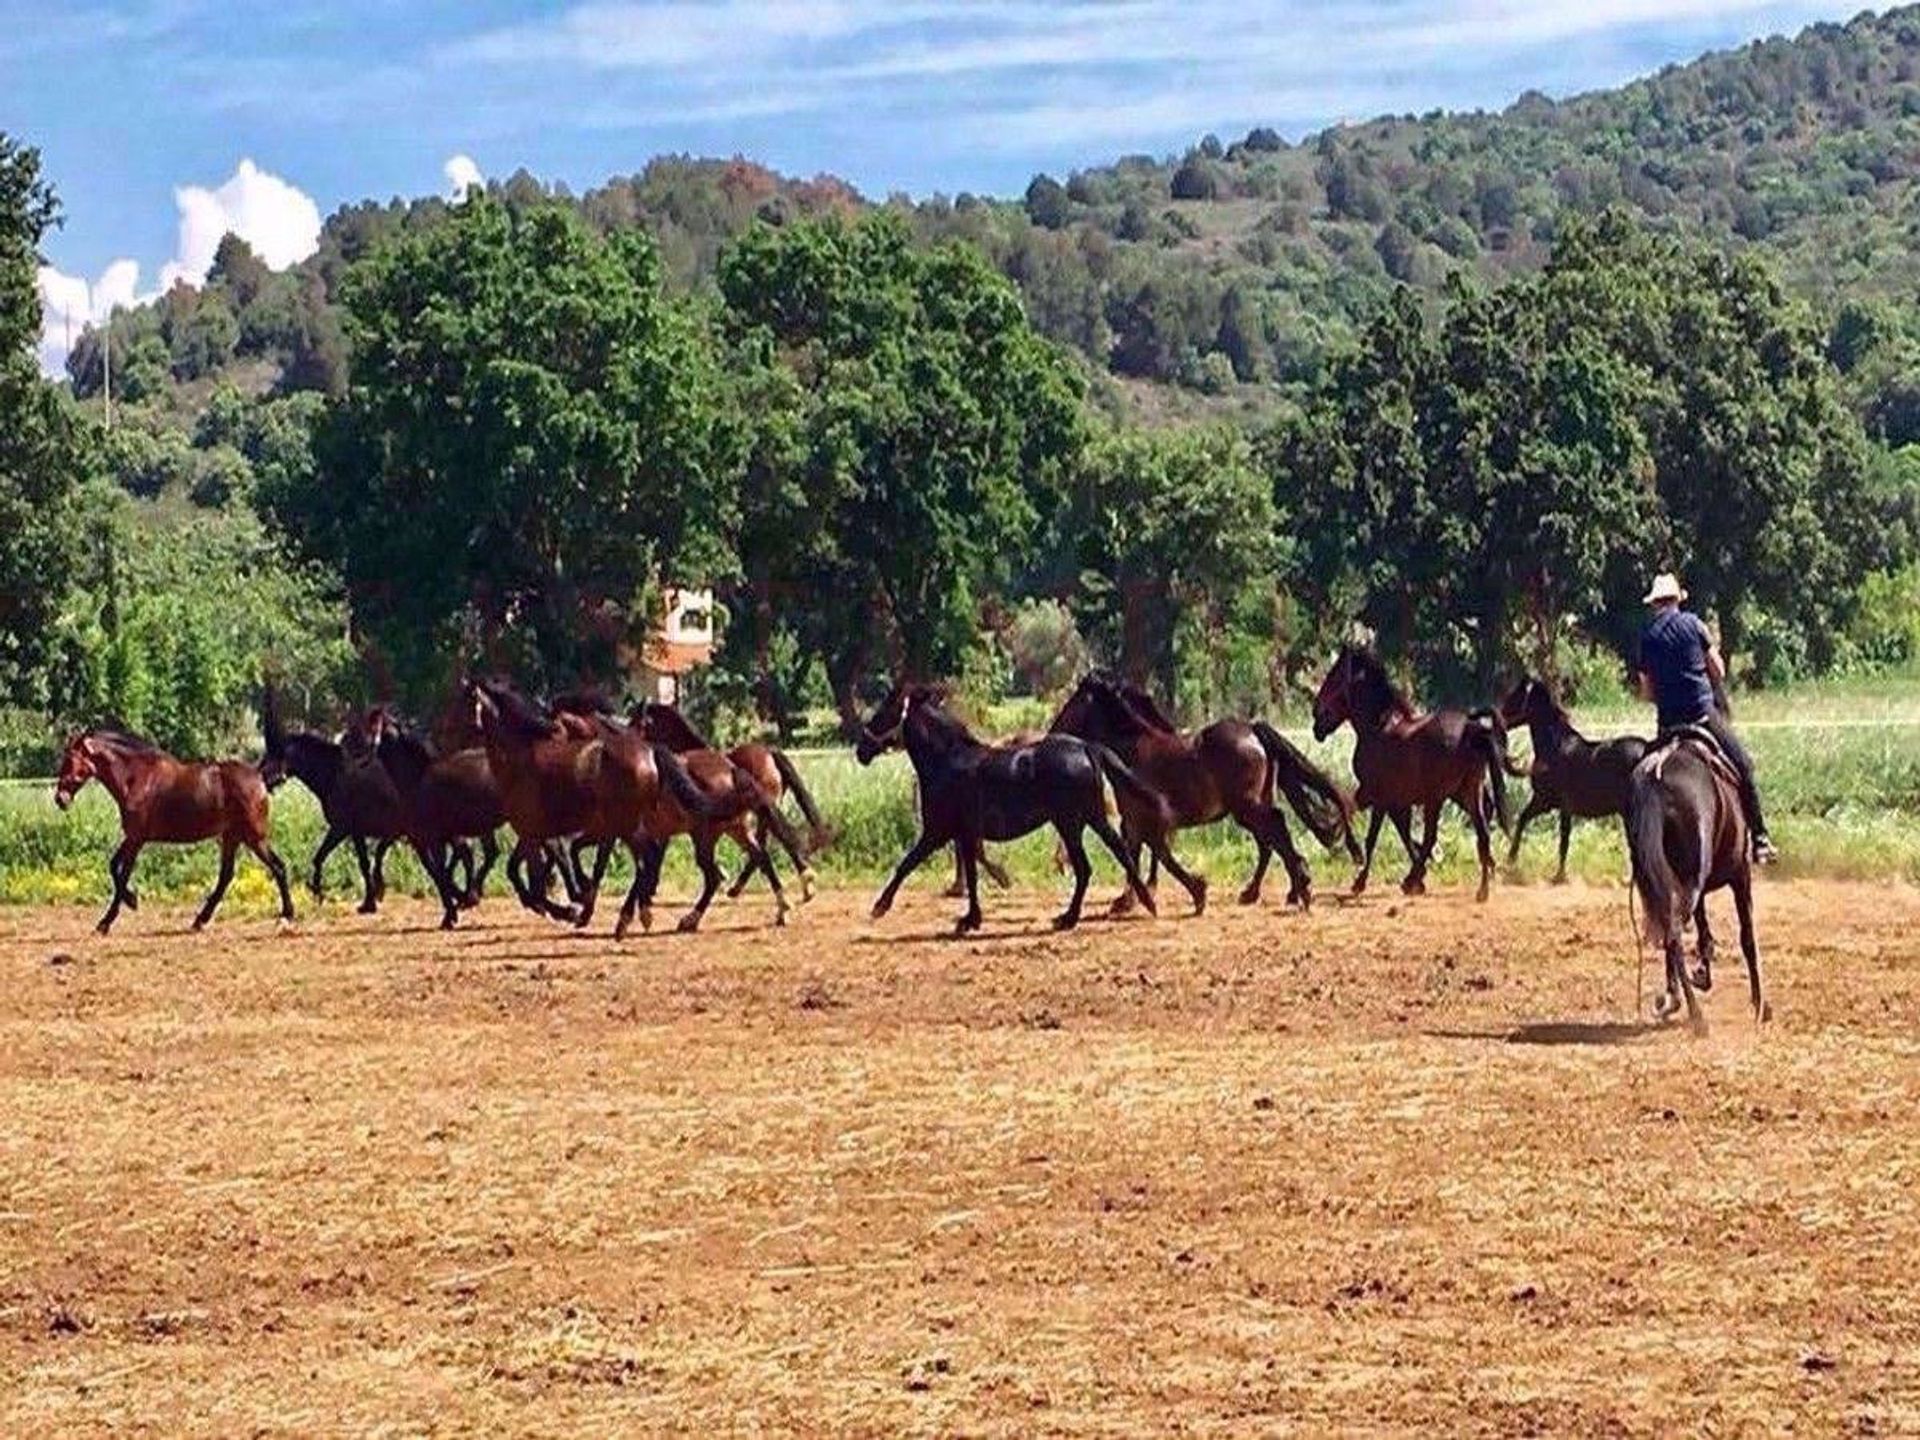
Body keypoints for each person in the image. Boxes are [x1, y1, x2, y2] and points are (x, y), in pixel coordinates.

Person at [1632, 572, 1777, 863]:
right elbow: (1718, 671)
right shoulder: (1695, 625)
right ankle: (1760, 838)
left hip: (1668, 726)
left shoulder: (1647, 637)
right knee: (1744, 767)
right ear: (1677, 601)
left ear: (1655, 604)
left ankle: (1639, 857)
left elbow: (1647, 693)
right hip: (1701, 716)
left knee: (1640, 782)